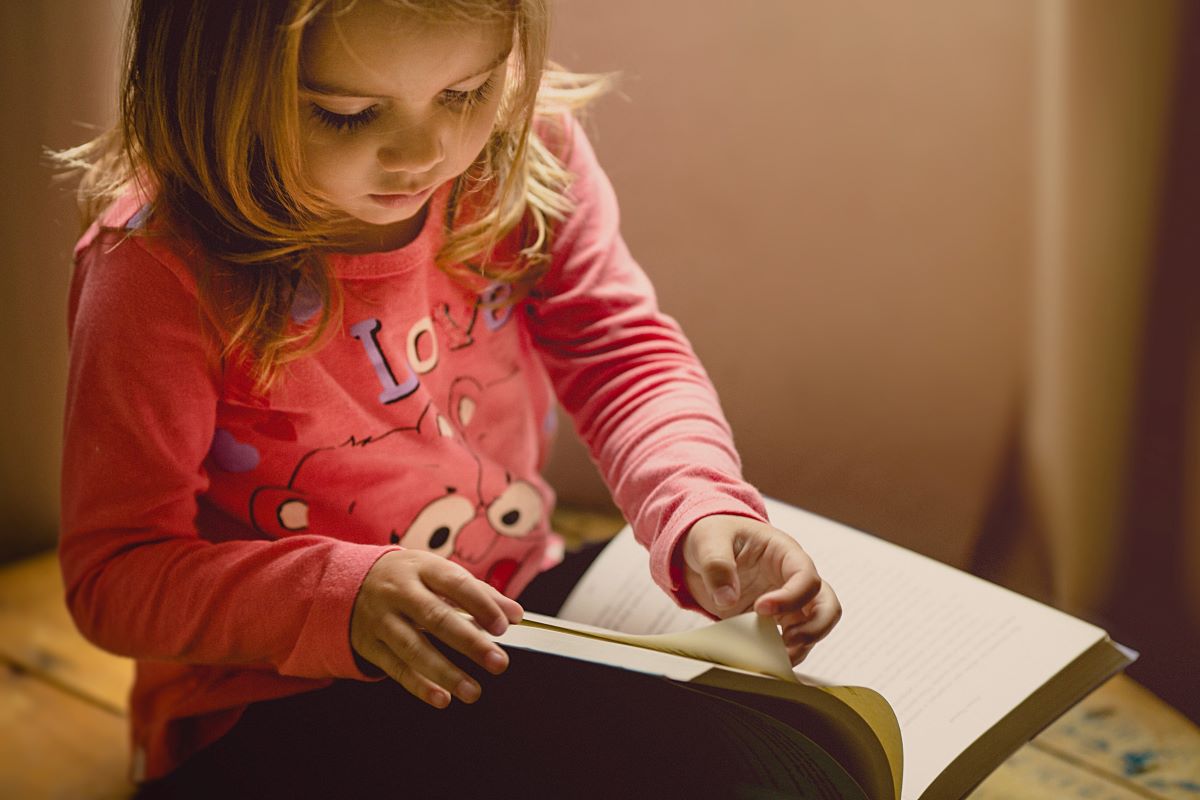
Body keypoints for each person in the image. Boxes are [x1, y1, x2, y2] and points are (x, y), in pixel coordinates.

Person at [56, 0, 842, 796]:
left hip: (517, 610)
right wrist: (340, 600)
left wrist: (702, 503)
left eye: (466, 93)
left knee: (773, 751)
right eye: (346, 113)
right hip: (270, 697)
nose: (424, 153)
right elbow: (115, 576)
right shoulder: (156, 270)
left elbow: (620, 351)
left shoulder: (521, 155)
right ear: (207, 84)